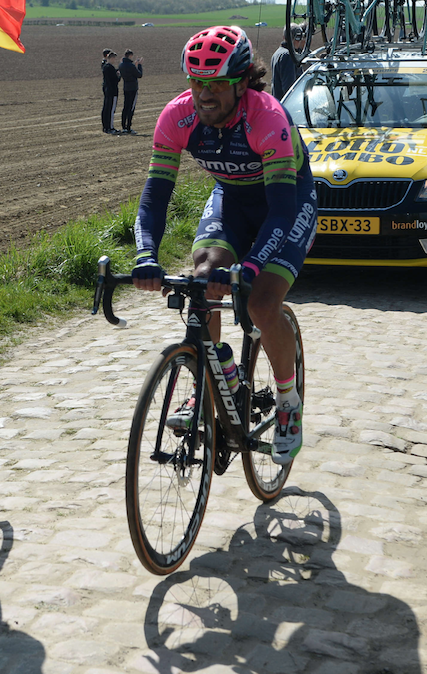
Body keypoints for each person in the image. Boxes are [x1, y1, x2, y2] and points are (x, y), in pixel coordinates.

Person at [132, 25, 317, 465]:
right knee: (202, 282)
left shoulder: (267, 117)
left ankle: (289, 401)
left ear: (241, 82)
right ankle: (209, 385)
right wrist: (145, 255)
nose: (204, 94)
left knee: (261, 304)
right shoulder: (177, 117)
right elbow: (156, 195)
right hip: (232, 199)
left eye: (215, 83)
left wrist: (251, 268)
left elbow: (280, 211)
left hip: (286, 202)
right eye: (196, 82)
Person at [270, 23, 303, 100]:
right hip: (287, 106)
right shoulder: (288, 56)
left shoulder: (277, 53)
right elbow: (289, 89)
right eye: (298, 38)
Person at [119, 49, 143, 134]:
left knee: (125, 107)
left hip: (126, 87)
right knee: (131, 108)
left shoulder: (121, 65)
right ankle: (128, 127)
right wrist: (139, 65)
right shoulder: (131, 66)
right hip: (133, 88)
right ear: (130, 56)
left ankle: (123, 126)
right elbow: (139, 75)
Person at [101, 49, 120, 134]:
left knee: (106, 108)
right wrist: (119, 76)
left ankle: (106, 127)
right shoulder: (111, 68)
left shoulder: (104, 66)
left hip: (107, 90)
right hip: (112, 91)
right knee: (111, 110)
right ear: (111, 58)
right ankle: (110, 127)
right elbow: (115, 80)